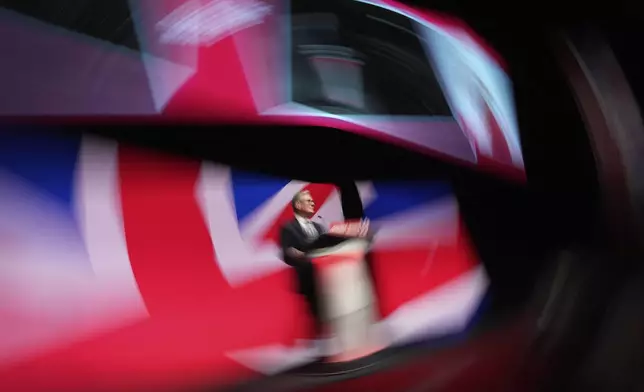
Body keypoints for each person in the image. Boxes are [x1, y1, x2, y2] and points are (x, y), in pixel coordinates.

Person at [279, 190, 327, 337]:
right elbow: (287, 253)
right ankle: (319, 343)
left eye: (312, 200)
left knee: (327, 310)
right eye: (308, 200)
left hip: (326, 277)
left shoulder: (319, 227)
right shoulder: (288, 228)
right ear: (298, 205)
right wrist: (301, 255)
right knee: (315, 313)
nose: (313, 203)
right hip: (307, 278)